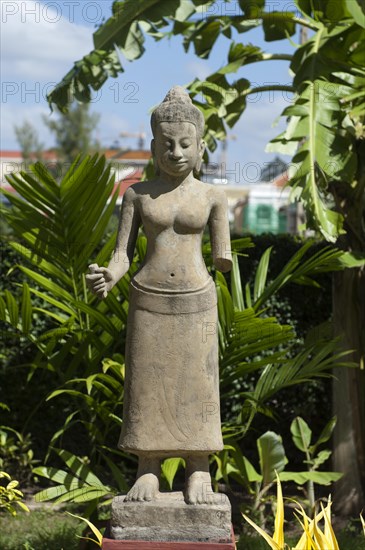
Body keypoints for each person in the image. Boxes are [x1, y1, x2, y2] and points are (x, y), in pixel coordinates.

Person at [86, 86, 232, 505]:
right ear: (153, 147)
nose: (176, 152)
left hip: (197, 298)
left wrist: (225, 258)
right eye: (167, 144)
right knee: (147, 386)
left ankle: (199, 468)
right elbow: (122, 255)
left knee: (198, 385)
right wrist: (109, 277)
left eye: (186, 144)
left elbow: (222, 254)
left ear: (200, 146)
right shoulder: (136, 194)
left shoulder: (212, 196)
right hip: (148, 298)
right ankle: (147, 469)